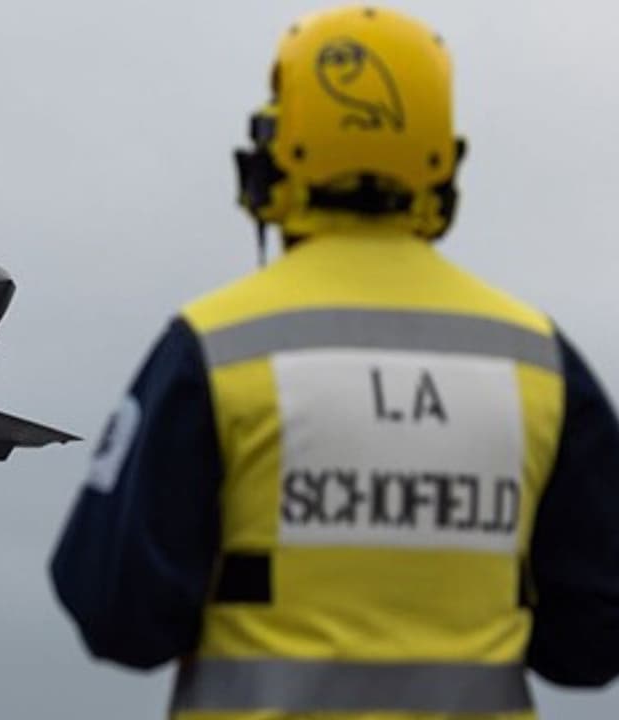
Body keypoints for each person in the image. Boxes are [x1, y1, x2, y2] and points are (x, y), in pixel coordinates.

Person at [50, 5, 619, 718]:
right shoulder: (539, 363)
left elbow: (117, 613)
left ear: (275, 152)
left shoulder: (214, 350)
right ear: (445, 158)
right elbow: (592, 645)